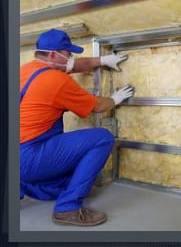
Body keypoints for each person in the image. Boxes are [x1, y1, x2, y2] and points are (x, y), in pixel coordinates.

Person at [20, 28, 135, 226]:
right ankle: (68, 208)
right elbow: (98, 106)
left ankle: (25, 185)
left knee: (64, 180)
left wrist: (104, 61)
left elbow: (75, 65)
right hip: (29, 155)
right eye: (68, 53)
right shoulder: (56, 80)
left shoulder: (26, 70)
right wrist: (115, 98)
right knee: (102, 138)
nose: (71, 58)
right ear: (54, 55)